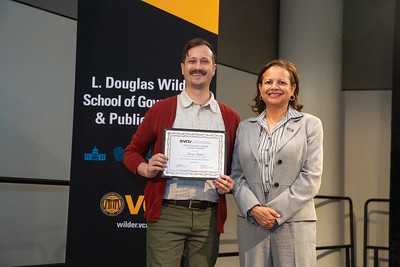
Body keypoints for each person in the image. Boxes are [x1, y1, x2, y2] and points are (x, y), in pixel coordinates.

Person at [123, 37, 240, 267]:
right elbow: (131, 152)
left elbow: (238, 168)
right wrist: (146, 168)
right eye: (192, 61)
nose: (198, 67)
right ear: (183, 68)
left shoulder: (230, 117)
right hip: (168, 213)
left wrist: (231, 182)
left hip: (209, 216)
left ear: (213, 68)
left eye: (205, 61)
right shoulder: (162, 109)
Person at [231, 59, 323, 267]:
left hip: (294, 223)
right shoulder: (244, 127)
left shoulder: (310, 125)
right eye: (268, 82)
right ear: (260, 88)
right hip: (252, 224)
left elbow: (311, 177)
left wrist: (273, 213)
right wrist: (254, 209)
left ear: (293, 89)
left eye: (281, 82)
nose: (274, 87)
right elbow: (236, 175)